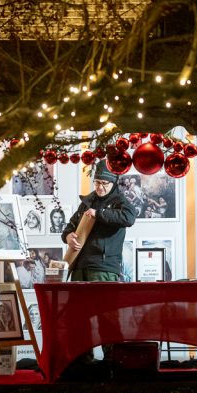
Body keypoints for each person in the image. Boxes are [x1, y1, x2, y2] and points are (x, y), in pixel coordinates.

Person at [60, 160, 136, 374]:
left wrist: (99, 213)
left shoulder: (120, 201)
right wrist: (68, 236)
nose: (100, 187)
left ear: (113, 183)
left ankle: (113, 363)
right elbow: (69, 226)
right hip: (79, 266)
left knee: (107, 316)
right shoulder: (87, 201)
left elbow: (129, 218)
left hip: (104, 268)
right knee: (79, 317)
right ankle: (83, 361)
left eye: (104, 183)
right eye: (97, 182)